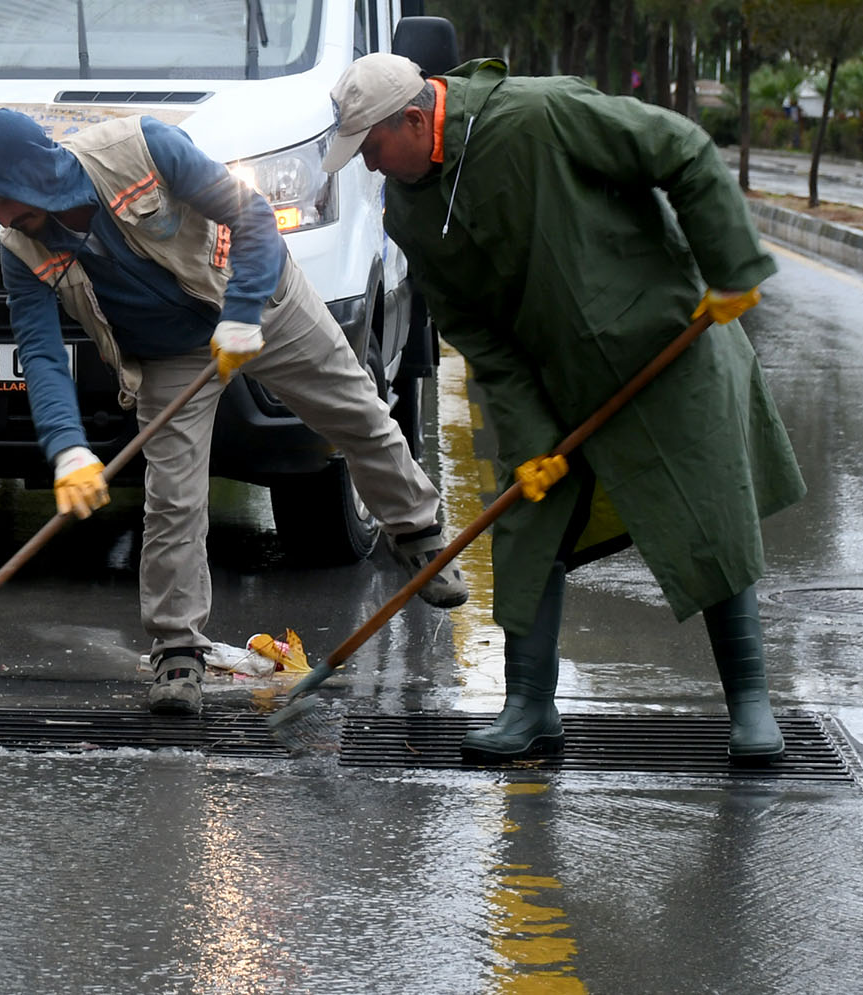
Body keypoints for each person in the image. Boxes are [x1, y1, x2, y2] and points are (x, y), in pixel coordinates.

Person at [331, 53, 802, 763]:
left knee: (709, 509)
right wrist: (530, 437)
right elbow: (478, 333)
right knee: (528, 520)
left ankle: (752, 702)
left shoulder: (539, 115)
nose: (369, 166)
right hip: (551, 377)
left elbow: (679, 147)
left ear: (414, 117)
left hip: (665, 342)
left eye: (371, 147)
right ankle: (529, 705)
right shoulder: (410, 210)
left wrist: (730, 264)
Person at [0, 108, 466, 717]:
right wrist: (68, 449)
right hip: (168, 352)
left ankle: (419, 535)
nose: (4, 218)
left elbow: (252, 216)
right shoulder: (20, 247)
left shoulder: (142, 148)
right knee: (172, 497)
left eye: (6, 199)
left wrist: (243, 312)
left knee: (356, 412)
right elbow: (39, 353)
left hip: (260, 295)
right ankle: (176, 650)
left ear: (39, 173)